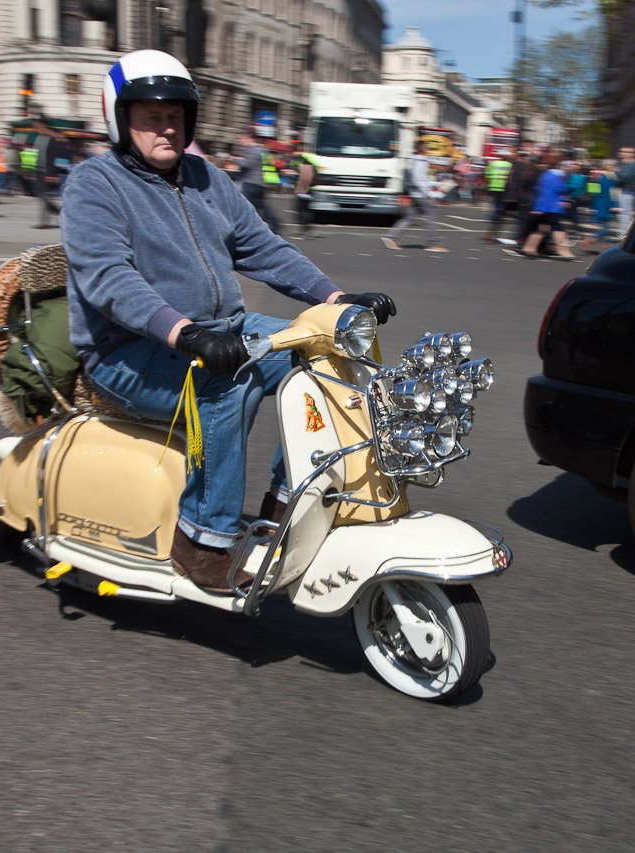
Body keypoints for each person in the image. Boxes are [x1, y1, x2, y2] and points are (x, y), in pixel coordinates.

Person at [61, 49, 397, 594]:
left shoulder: (205, 177)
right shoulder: (94, 184)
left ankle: (288, 504)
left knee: (322, 356)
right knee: (225, 383)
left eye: (175, 116)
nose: (166, 128)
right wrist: (184, 332)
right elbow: (107, 277)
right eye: (151, 116)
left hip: (220, 329)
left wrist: (334, 298)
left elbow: (262, 247)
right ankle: (200, 540)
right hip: (125, 351)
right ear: (120, 120)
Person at [381, 140, 448, 253]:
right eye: (428, 148)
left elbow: (422, 180)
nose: (429, 151)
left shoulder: (414, 160)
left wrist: (436, 184)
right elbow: (418, 181)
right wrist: (430, 193)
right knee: (431, 216)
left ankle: (391, 237)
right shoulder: (420, 162)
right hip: (421, 195)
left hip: (415, 193)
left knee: (409, 218)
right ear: (423, 150)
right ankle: (432, 243)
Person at [521, 153, 576, 260]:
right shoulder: (558, 177)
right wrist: (569, 190)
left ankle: (529, 248)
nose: (570, 168)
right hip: (552, 207)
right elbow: (560, 189)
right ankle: (564, 251)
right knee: (558, 228)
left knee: (541, 228)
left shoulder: (545, 175)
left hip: (542, 205)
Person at [232, 129, 281, 234]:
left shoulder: (253, 150)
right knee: (260, 206)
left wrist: (234, 159)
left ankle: (241, 229)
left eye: (241, 139)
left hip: (251, 182)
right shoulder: (264, 151)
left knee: (243, 206)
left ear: (249, 138)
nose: (240, 141)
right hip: (261, 183)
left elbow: (246, 164)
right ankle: (273, 222)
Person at [32, 116, 67, 228]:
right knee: (42, 195)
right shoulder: (38, 137)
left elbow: (59, 157)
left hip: (49, 171)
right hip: (39, 169)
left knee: (44, 196)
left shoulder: (54, 137)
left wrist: (53, 174)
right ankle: (55, 217)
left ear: (43, 125)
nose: (35, 127)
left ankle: (48, 220)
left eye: (37, 125)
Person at [480, 147, 513, 242]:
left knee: (496, 207)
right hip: (505, 189)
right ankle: (494, 226)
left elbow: (487, 175)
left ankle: (493, 223)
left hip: (493, 188)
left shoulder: (492, 163)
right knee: (500, 209)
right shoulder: (510, 165)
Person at [292, 145, 319, 238]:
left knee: (301, 210)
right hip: (308, 190)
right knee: (305, 210)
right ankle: (308, 229)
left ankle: (307, 230)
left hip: (304, 190)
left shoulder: (305, 161)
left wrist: (300, 189)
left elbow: (305, 178)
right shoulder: (309, 160)